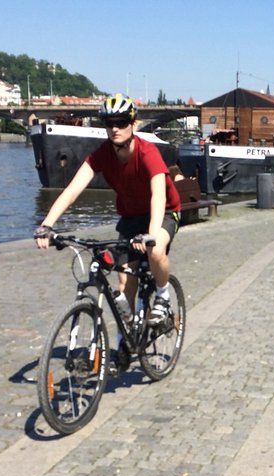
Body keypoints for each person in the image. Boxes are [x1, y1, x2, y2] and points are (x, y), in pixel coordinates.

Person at [35, 94, 181, 332]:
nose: (115, 128)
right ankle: (129, 337)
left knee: (155, 251)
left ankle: (163, 296)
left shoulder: (147, 153)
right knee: (125, 281)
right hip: (131, 218)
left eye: (122, 122)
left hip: (163, 212)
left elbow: (159, 195)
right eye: (109, 123)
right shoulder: (102, 154)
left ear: (133, 124)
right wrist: (47, 225)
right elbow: (72, 190)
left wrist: (152, 235)